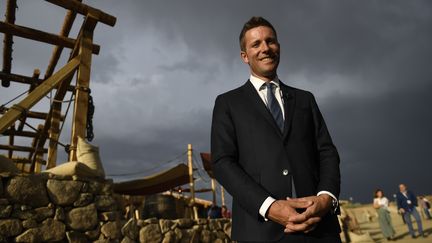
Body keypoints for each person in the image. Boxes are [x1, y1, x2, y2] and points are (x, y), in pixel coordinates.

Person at [211, 16, 341, 242]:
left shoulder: (305, 99)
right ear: (244, 56)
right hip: (260, 231)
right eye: (256, 44)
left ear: (278, 47)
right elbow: (223, 163)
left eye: (270, 41)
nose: (265, 48)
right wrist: (269, 207)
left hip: (319, 228)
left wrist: (326, 198)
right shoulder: (228, 104)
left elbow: (327, 152)